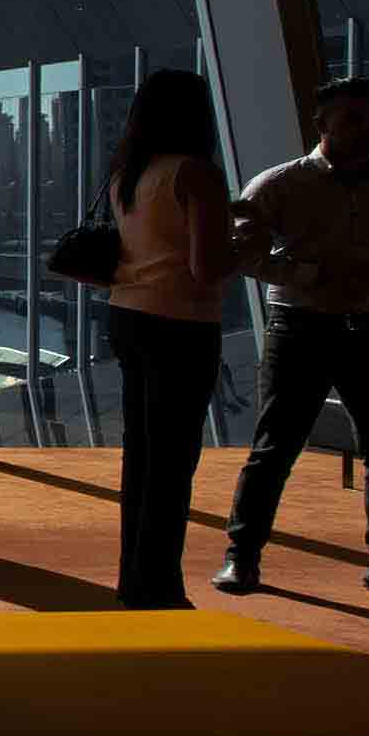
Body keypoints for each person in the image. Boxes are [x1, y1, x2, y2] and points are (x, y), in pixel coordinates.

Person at [216, 77, 369, 604]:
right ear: (322, 125)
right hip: (301, 326)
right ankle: (241, 557)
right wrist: (307, 275)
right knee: (275, 447)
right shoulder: (276, 185)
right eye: (353, 120)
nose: (368, 129)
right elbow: (243, 254)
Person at [96, 70, 243, 609]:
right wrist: (252, 242)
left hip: (128, 316)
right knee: (173, 460)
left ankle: (134, 578)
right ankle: (158, 585)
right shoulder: (196, 175)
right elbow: (208, 268)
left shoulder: (127, 174)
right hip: (181, 324)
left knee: (141, 457)